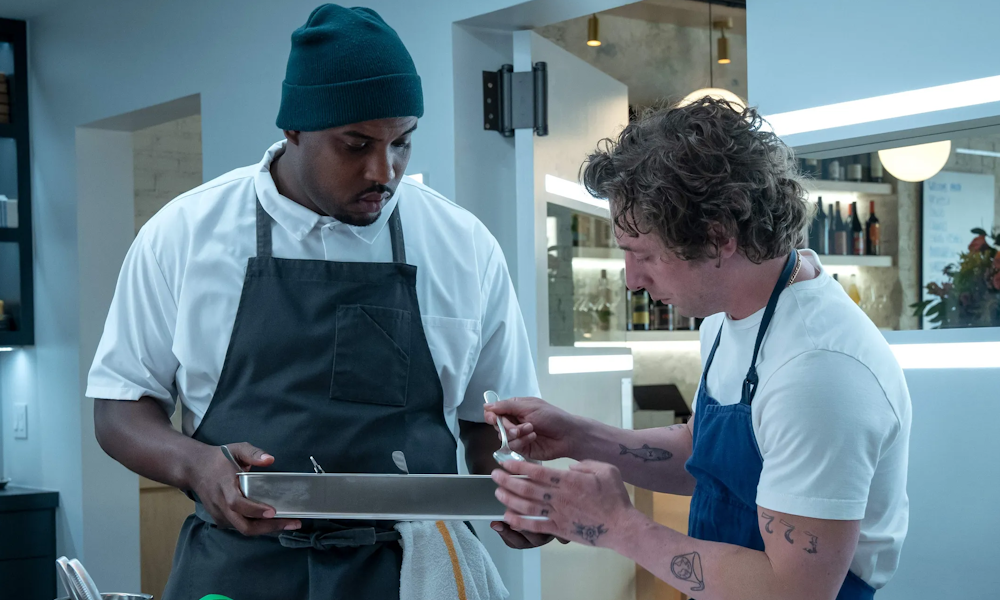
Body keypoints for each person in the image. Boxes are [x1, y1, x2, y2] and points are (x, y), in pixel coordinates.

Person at [88, 5, 541, 599]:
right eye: (356, 144)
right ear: (294, 128)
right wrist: (196, 466)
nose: (385, 170)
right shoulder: (184, 234)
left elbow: (491, 420)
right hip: (241, 568)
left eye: (402, 143)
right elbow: (119, 410)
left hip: (412, 572)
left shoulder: (463, 245)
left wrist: (514, 491)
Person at [487, 98, 911, 600]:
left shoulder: (818, 372)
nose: (631, 281)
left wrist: (618, 525)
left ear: (718, 237)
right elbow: (702, 453)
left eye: (642, 255)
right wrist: (578, 436)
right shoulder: (728, 317)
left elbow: (792, 592)